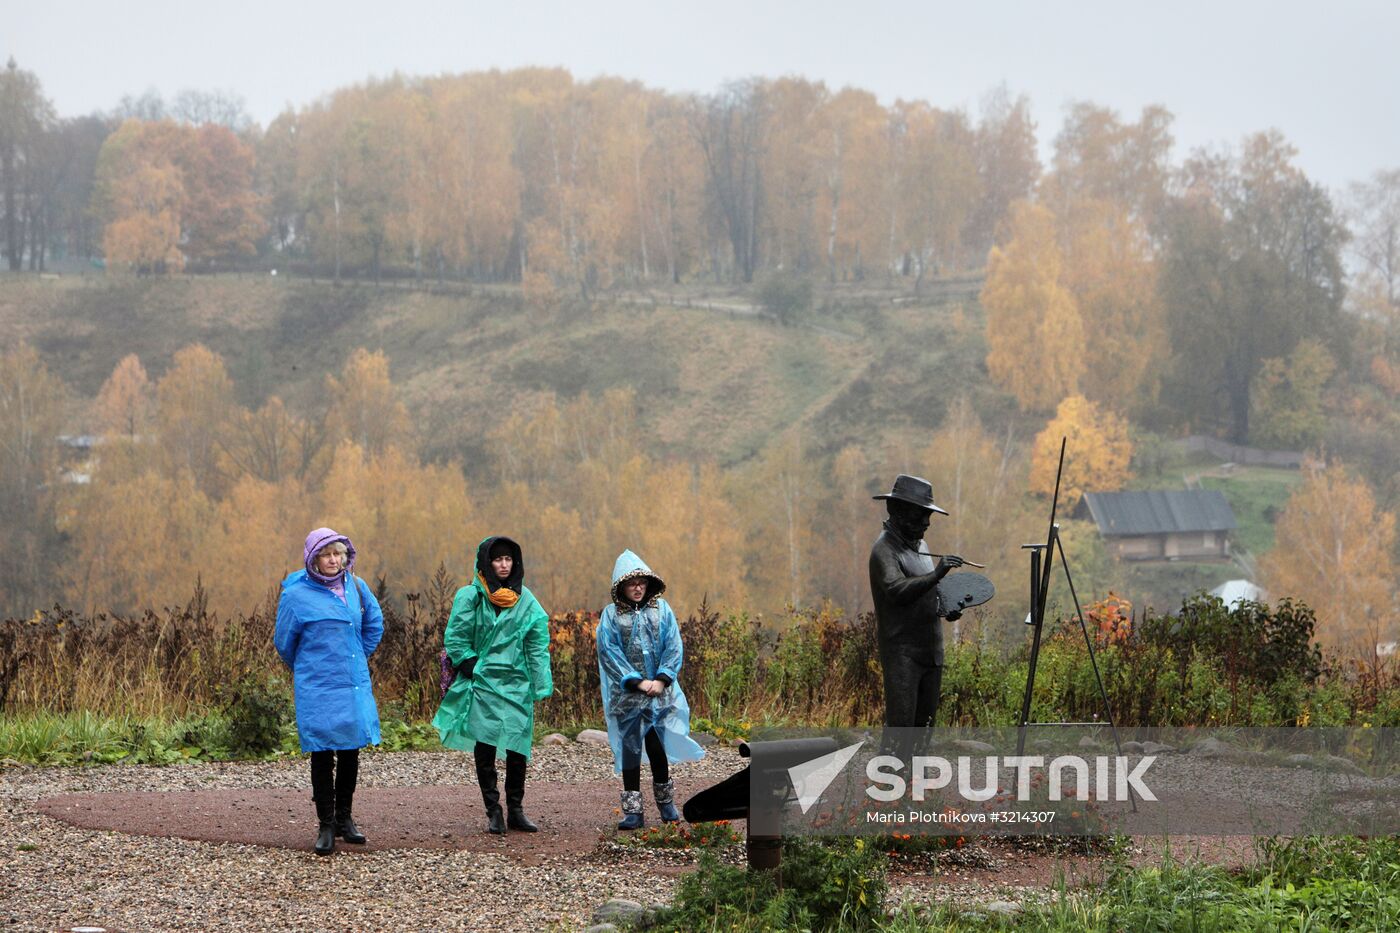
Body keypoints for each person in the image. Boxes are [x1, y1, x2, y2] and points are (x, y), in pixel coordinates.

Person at [274, 527, 384, 856]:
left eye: (338, 554)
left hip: (351, 681)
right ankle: (325, 824)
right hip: (317, 685)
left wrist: (355, 654)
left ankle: (345, 820)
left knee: (350, 751)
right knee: (323, 753)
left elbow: (374, 624)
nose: (334, 560)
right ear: (314, 559)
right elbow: (284, 643)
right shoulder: (295, 595)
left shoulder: (357, 587)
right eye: (327, 554)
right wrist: (313, 666)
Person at [433, 536, 552, 834]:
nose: (503, 564)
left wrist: (540, 683)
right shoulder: (470, 596)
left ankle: (516, 809)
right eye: (497, 559)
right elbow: (456, 637)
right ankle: (493, 809)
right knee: (485, 747)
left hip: (516, 683)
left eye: (508, 559)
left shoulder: (526, 600)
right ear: (486, 561)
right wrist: (472, 667)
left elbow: (537, 644)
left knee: (517, 747)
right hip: (482, 683)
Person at [596, 550, 704, 830]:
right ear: (621, 586)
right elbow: (609, 653)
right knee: (630, 750)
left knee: (657, 748)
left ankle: (665, 802)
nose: (638, 588)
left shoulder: (662, 610)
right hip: (628, 698)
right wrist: (636, 681)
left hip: (659, 695)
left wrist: (662, 679)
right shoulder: (611, 616)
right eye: (632, 583)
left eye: (642, 582)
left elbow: (673, 645)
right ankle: (633, 811)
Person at [869, 475, 965, 730]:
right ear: (896, 510)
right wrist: (936, 573)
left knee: (925, 726)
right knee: (901, 727)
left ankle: (916, 770)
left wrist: (947, 606)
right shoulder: (884, 550)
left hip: (931, 651)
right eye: (919, 515)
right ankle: (891, 770)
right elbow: (896, 590)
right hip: (903, 654)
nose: (926, 523)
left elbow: (929, 590)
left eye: (928, 515)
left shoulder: (920, 546)